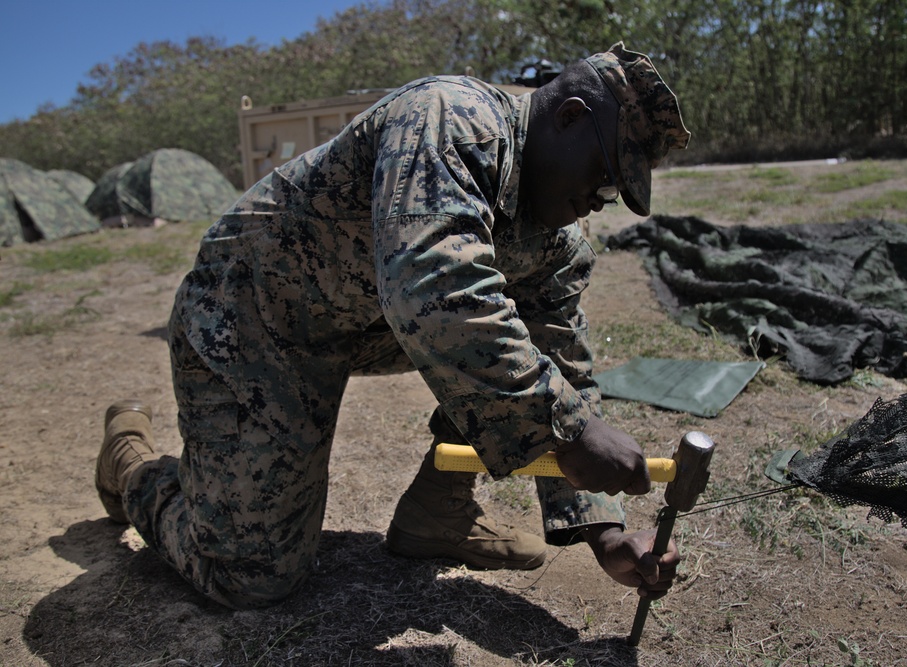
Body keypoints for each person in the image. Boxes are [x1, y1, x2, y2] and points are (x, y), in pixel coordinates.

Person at [95, 42, 691, 610]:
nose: (600, 201)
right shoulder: (453, 118)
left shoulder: (558, 242)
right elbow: (432, 287)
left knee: (501, 340)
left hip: (365, 320)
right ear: (569, 116)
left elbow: (557, 362)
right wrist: (572, 430)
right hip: (252, 316)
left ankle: (440, 511)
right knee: (250, 576)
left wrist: (604, 531)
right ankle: (133, 464)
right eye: (606, 178)